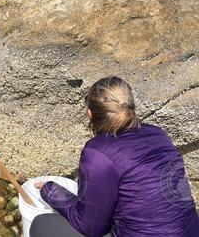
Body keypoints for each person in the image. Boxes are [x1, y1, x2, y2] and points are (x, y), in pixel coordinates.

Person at [31, 76, 199, 237]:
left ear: (90, 113)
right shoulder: (158, 134)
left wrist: (50, 190)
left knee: (42, 225)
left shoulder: (97, 153)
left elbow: (91, 227)